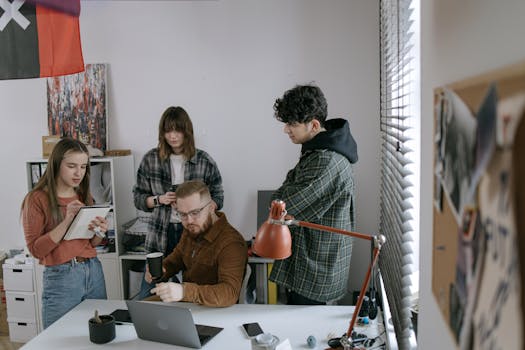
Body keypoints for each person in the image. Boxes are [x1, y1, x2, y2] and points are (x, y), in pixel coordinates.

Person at [269, 84, 358, 305]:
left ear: (314, 125)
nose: (286, 130)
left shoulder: (325, 160)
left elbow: (283, 204)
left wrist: (281, 199)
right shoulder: (318, 151)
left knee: (305, 333)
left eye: (292, 124)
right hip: (314, 262)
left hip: (316, 269)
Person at [133, 106, 224, 299]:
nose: (172, 136)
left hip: (194, 232)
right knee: (149, 295)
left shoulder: (204, 161)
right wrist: (159, 200)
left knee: (195, 290)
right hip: (160, 235)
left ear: (186, 132)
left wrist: (194, 207)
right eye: (168, 131)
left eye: (177, 130)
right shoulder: (151, 159)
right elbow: (139, 199)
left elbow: (218, 199)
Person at [21, 138, 108, 328]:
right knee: (58, 339)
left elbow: (91, 243)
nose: (79, 173)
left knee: (99, 334)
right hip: (61, 276)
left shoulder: (84, 196)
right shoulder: (36, 199)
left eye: (83, 167)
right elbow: (36, 249)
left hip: (93, 270)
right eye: (72, 166)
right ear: (57, 164)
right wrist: (67, 220)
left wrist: (100, 231)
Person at [145, 180, 247, 307]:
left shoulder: (231, 243)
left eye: (195, 213)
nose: (189, 221)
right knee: (138, 311)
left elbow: (229, 293)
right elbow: (176, 260)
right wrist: (162, 269)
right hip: (189, 305)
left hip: (214, 311)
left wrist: (184, 291)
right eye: (182, 214)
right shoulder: (192, 229)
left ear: (211, 208)